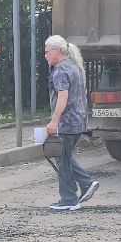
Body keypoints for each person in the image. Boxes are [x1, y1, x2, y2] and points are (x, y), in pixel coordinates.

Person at [43, 34, 97, 212]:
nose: (45, 55)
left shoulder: (60, 70)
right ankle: (79, 189)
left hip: (67, 122)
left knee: (62, 157)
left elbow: (63, 97)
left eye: (47, 52)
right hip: (79, 120)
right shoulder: (75, 66)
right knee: (64, 156)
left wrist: (54, 121)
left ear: (57, 51)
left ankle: (72, 195)